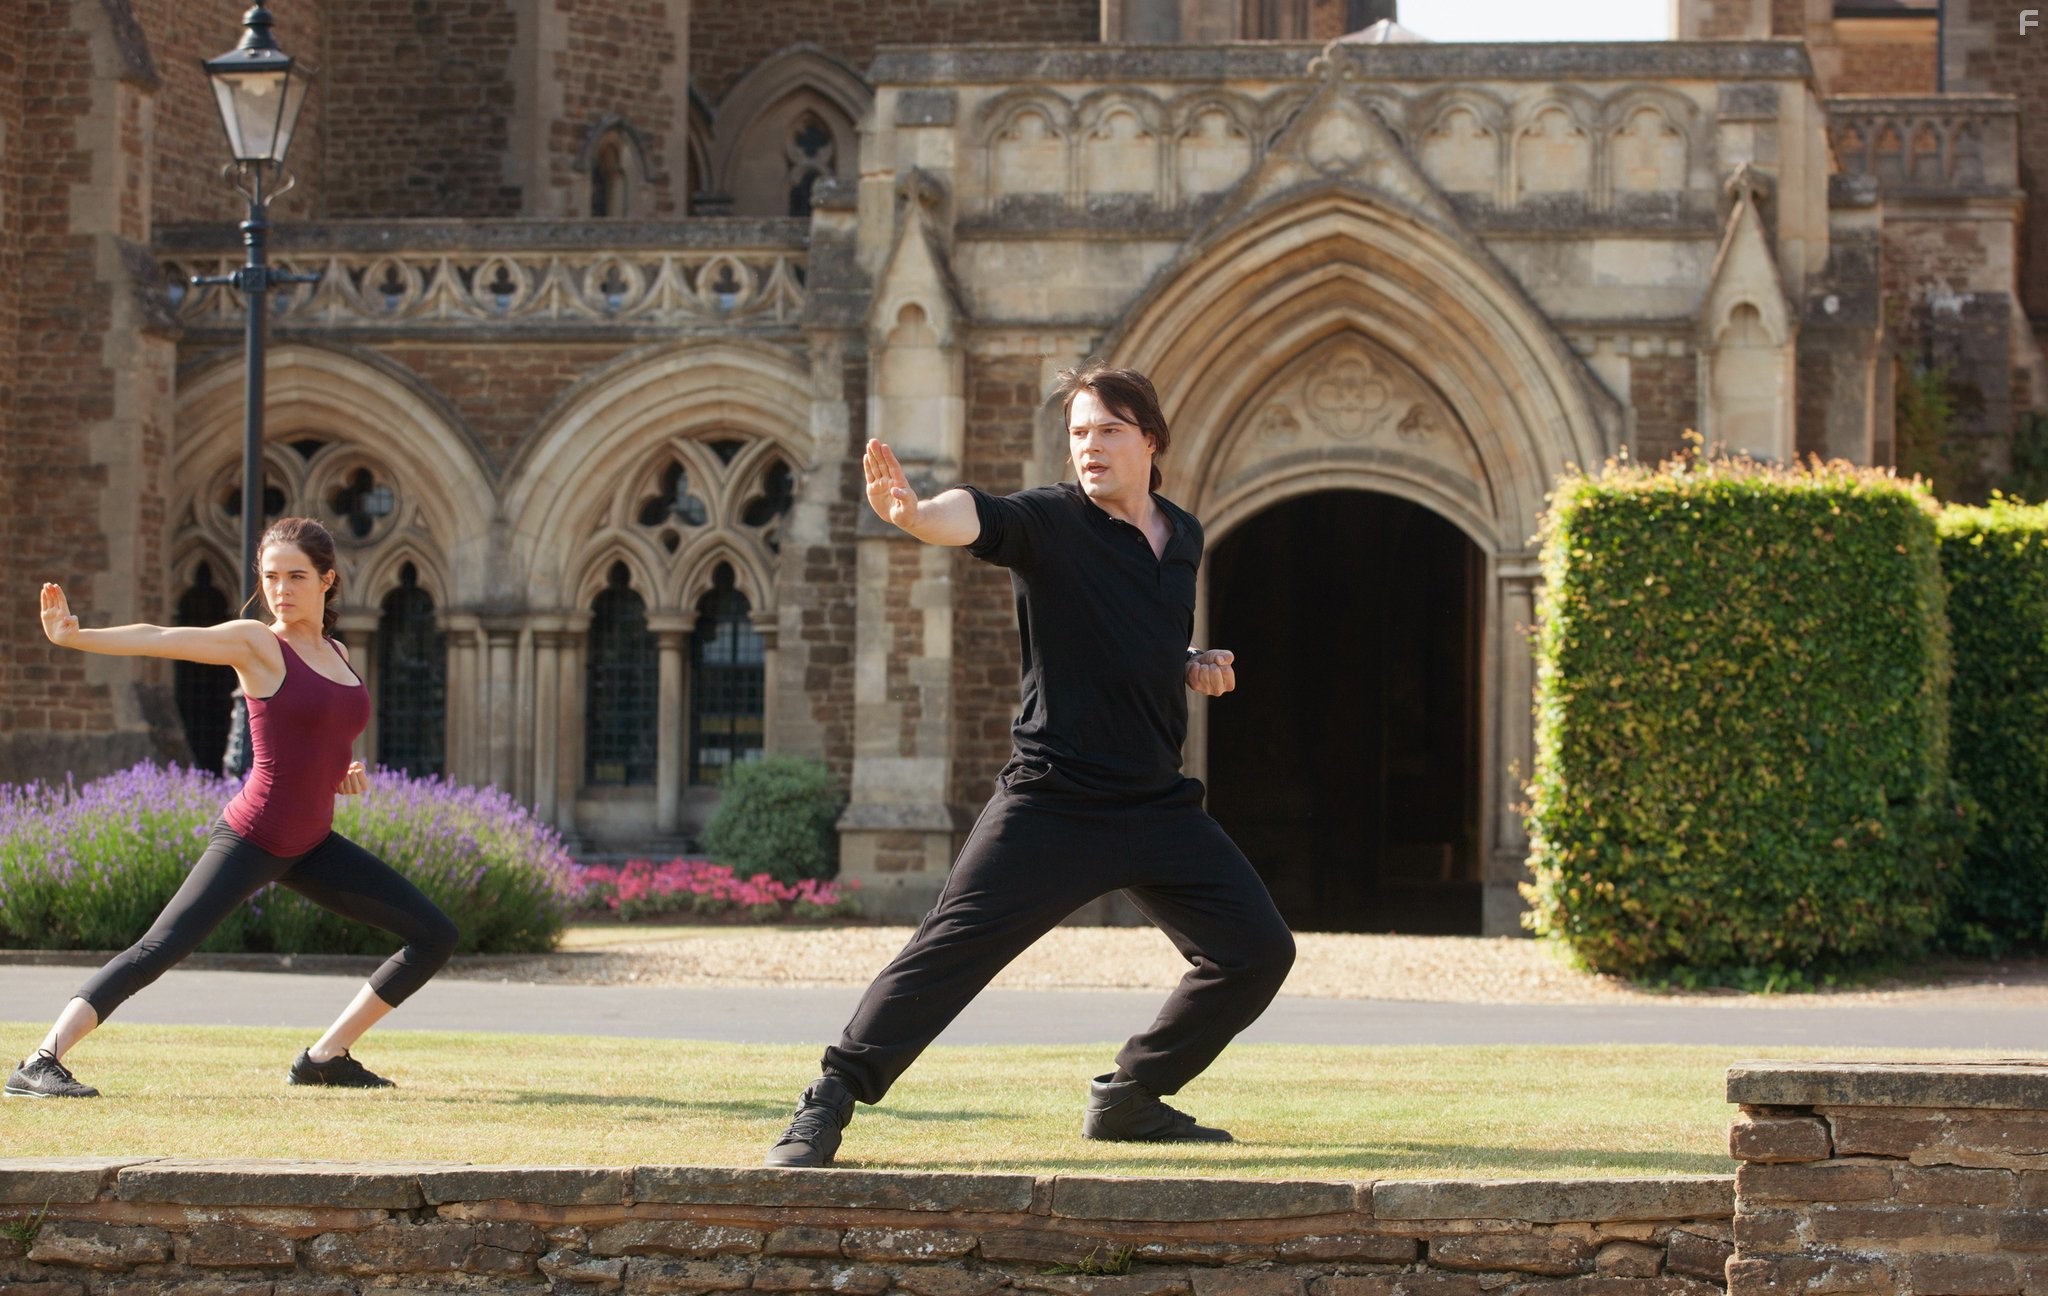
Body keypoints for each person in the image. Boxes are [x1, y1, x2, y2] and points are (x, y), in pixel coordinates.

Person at [764, 363, 1296, 1167]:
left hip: (1157, 804)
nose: (1090, 446)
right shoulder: (1052, 521)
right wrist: (917, 515)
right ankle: (828, 1100)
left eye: (1108, 430)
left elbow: (1141, 629)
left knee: (1257, 950)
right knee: (950, 951)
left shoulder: (1181, 536)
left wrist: (1189, 662)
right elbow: (978, 514)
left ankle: (1131, 1096)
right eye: (1079, 432)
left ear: (1150, 440)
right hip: (1053, 801)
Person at [5, 517, 459, 1099]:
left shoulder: (337, 652)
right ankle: (40, 1061)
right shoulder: (257, 643)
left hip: (311, 844)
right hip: (253, 836)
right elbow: (161, 637)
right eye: (270, 577)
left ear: (327, 579)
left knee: (434, 935)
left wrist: (339, 774)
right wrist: (76, 636)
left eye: (296, 576)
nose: (280, 589)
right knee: (158, 950)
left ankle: (325, 1058)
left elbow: (321, 733)